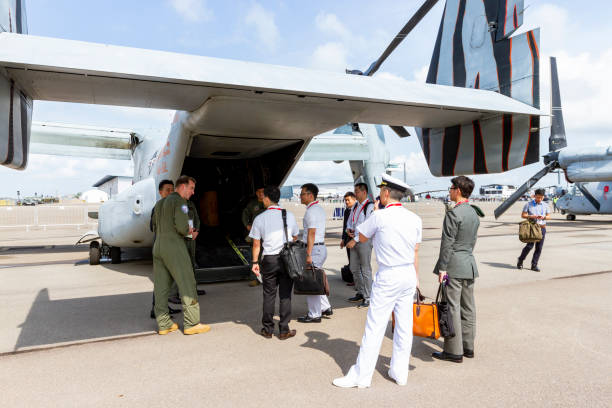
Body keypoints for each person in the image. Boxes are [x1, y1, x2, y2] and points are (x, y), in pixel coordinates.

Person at [333, 174, 421, 388]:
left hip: (389, 275)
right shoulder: (415, 218)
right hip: (408, 274)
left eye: (382, 190)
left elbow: (361, 237)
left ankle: (361, 376)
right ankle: (399, 373)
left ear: (386, 193)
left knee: (375, 326)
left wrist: (375, 212)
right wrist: (416, 280)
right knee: (403, 326)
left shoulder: (379, 216)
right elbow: (416, 250)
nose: (380, 193)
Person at [152, 175, 210, 335]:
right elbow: (183, 228)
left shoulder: (159, 203)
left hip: (158, 246)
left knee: (161, 287)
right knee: (187, 282)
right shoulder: (180, 202)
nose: (192, 192)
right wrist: (190, 232)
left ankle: (164, 324)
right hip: (174, 246)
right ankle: (192, 323)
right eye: (191, 188)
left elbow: (155, 225)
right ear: (182, 187)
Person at [432, 176, 481, 363]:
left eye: (451, 188)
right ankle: (468, 346)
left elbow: (447, 244)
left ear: (458, 190)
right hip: (469, 264)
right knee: (468, 307)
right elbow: (472, 241)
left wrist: (443, 268)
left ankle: (453, 350)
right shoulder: (473, 213)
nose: (449, 191)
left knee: (451, 307)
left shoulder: (454, 213)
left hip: (453, 265)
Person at [249, 185, 299, 340]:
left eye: (263, 197)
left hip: (269, 259)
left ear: (267, 198)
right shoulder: (288, 215)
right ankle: (284, 330)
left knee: (269, 294)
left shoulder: (260, 218)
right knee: (285, 294)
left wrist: (254, 262)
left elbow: (256, 244)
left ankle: (268, 329)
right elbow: (295, 237)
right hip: (286, 259)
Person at [297, 183, 332, 323]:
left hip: (314, 249)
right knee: (316, 279)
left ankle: (314, 314)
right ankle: (325, 307)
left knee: (310, 282)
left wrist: (308, 254)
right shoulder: (318, 208)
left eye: (302, 194)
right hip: (319, 248)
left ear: (310, 195)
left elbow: (312, 233)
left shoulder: (311, 211)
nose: (300, 196)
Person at [149, 179, 180, 319]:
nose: (170, 192)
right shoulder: (158, 207)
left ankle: (162, 308)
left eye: (172, 189)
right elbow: (152, 227)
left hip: (170, 246)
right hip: (163, 247)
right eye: (167, 190)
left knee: (165, 281)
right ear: (160, 192)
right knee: (162, 281)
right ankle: (157, 310)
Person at [345, 183, 374, 307]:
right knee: (354, 268)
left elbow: (368, 226)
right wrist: (349, 229)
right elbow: (350, 220)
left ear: (363, 192)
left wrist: (355, 239)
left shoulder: (370, 206)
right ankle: (361, 292)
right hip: (354, 240)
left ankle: (368, 297)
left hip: (364, 241)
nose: (355, 193)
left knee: (366, 269)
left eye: (356, 191)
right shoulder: (356, 206)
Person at [517, 188, 551, 272]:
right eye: (537, 197)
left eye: (541, 197)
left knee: (539, 248)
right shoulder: (528, 204)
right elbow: (523, 215)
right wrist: (532, 216)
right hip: (532, 228)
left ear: (543, 197)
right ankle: (520, 260)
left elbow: (549, 216)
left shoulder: (545, 205)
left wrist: (544, 217)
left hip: (542, 228)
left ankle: (534, 264)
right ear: (534, 196)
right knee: (529, 246)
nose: (539, 199)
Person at [242, 186, 265, 286]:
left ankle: (268, 278)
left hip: (268, 234)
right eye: (259, 192)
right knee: (255, 257)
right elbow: (245, 214)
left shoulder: (269, 202)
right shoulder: (252, 204)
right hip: (256, 234)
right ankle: (256, 278)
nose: (261, 194)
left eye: (263, 192)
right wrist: (247, 224)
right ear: (256, 193)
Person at [185, 198, 206, 296]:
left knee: (192, 263)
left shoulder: (190, 203)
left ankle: (193, 289)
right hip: (180, 238)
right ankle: (176, 292)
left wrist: (196, 231)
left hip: (191, 237)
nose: (192, 192)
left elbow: (196, 218)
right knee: (180, 265)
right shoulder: (175, 202)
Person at [340, 192, 357, 286]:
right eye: (345, 200)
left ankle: (357, 280)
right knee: (351, 259)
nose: (346, 202)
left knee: (356, 261)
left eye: (348, 200)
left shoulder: (357, 210)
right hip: (347, 239)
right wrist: (343, 239)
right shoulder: (347, 211)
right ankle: (353, 279)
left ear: (354, 199)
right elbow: (344, 226)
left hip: (355, 239)